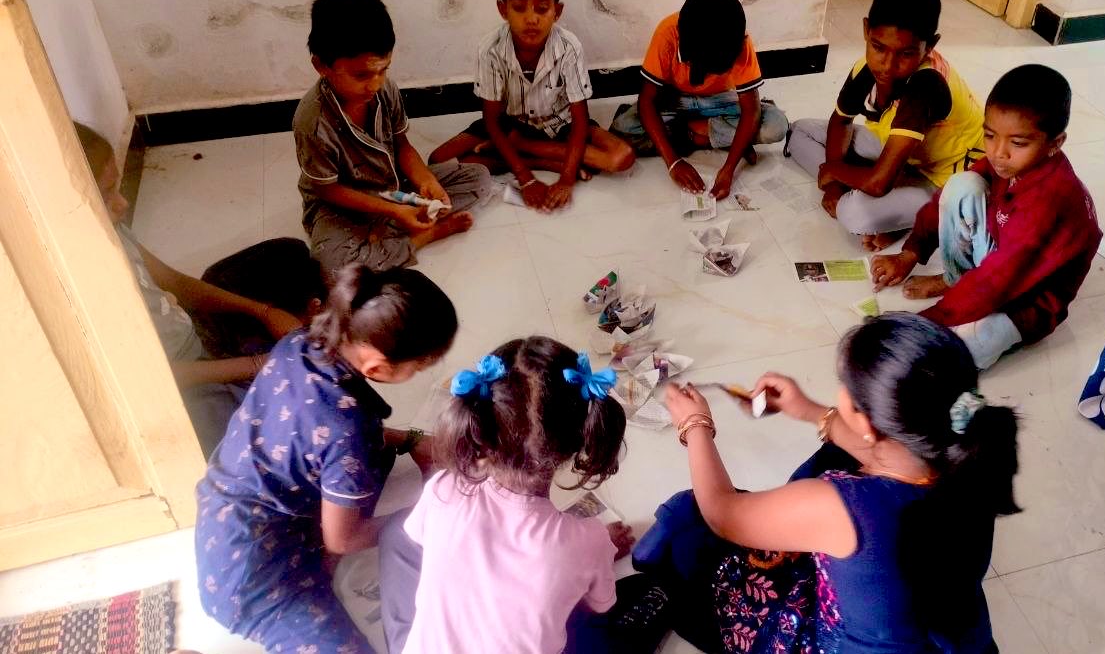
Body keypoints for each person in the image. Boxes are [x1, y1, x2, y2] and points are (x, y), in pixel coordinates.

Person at [638, 313, 1018, 652]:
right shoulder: (972, 455)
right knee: (832, 457)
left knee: (690, 536)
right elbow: (883, 449)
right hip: (940, 635)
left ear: (866, 423)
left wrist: (695, 426)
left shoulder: (844, 506)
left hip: (844, 642)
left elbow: (722, 514)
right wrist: (809, 410)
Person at [195, 265, 451, 654]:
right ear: (377, 368)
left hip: (228, 515)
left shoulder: (302, 341)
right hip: (254, 583)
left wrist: (409, 438)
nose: (421, 371)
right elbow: (343, 539)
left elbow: (317, 431)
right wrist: (423, 518)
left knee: (371, 463)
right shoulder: (348, 430)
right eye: (420, 366)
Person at [377, 336, 669, 654]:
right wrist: (590, 561)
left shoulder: (443, 487)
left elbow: (424, 542)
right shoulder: (587, 541)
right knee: (649, 589)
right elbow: (596, 606)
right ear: (579, 440)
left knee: (396, 536)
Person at [74, 122, 318, 457]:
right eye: (106, 195)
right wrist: (255, 364)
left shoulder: (110, 229)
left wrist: (263, 311)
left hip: (193, 330)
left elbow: (175, 283)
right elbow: (152, 377)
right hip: (181, 382)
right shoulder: (81, 287)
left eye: (116, 187)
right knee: (272, 447)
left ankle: (267, 338)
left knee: (288, 253)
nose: (123, 204)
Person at [870, 65, 1101, 370]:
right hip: (1003, 256)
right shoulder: (1006, 161)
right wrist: (910, 252)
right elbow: (946, 201)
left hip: (1031, 298)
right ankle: (956, 282)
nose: (998, 152)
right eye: (990, 135)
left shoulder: (1049, 200)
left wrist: (928, 322)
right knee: (961, 185)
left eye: (1018, 143)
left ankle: (967, 304)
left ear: (1055, 144)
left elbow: (1000, 279)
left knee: (961, 349)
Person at [294, 0, 494, 279]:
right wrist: (395, 211)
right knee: (333, 271)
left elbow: (403, 146)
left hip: (392, 185)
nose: (375, 84)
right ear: (321, 66)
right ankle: (420, 236)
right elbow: (327, 190)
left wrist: (425, 181)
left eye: (383, 70)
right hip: (342, 205)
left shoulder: (385, 90)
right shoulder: (312, 121)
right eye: (361, 75)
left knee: (479, 178)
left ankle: (387, 234)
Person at [785, 0, 984, 250]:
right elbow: (841, 121)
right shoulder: (866, 68)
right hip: (902, 155)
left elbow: (879, 185)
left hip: (942, 180)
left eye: (906, 54)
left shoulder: (926, 85)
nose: (888, 66)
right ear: (866, 30)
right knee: (800, 131)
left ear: (930, 45)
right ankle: (872, 194)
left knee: (854, 214)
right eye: (878, 47)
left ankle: (915, 220)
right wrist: (834, 184)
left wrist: (833, 170)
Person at [428, 0, 635, 211]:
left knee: (622, 157)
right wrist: (525, 178)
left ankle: (524, 147)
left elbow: (580, 120)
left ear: (557, 11)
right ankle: (540, 160)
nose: (531, 19)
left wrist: (566, 180)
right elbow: (492, 120)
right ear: (503, 9)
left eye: (542, 8)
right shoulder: (490, 49)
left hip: (561, 125)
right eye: (518, 8)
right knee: (439, 161)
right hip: (510, 124)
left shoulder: (569, 47)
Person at [610, 0, 789, 200]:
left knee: (776, 126)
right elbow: (647, 100)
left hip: (721, 101)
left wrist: (729, 169)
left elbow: (750, 109)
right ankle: (711, 137)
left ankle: (694, 135)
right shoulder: (667, 33)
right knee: (622, 130)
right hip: (675, 100)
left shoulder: (737, 40)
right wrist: (673, 163)